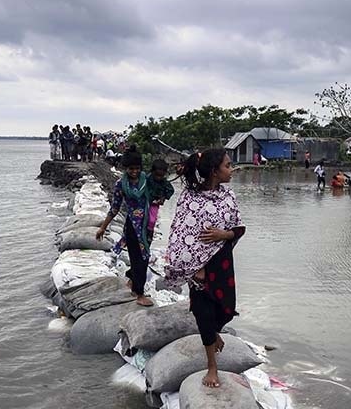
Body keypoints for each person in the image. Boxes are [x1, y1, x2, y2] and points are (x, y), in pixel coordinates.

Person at [164, 149, 245, 388]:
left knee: (226, 309)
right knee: (203, 313)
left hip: (222, 264)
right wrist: (195, 267)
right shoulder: (189, 198)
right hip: (196, 267)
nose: (231, 170)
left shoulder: (228, 196)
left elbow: (239, 228)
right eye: (228, 166)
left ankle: (214, 332)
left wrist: (224, 234)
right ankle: (212, 366)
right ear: (214, 171)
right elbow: (180, 234)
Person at [95, 147, 154, 307]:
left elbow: (160, 190)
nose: (134, 172)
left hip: (147, 225)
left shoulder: (147, 180)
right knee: (139, 258)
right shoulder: (121, 184)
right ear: (125, 168)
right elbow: (114, 208)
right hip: (132, 227)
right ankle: (139, 293)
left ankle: (132, 278)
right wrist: (103, 227)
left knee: (144, 256)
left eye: (137, 168)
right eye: (131, 169)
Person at [145, 159, 175, 245]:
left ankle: (149, 236)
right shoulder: (147, 179)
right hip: (144, 202)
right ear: (152, 171)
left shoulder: (164, 182)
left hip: (154, 204)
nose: (159, 178)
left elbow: (171, 190)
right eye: (157, 175)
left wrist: (163, 197)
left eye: (161, 176)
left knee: (152, 221)